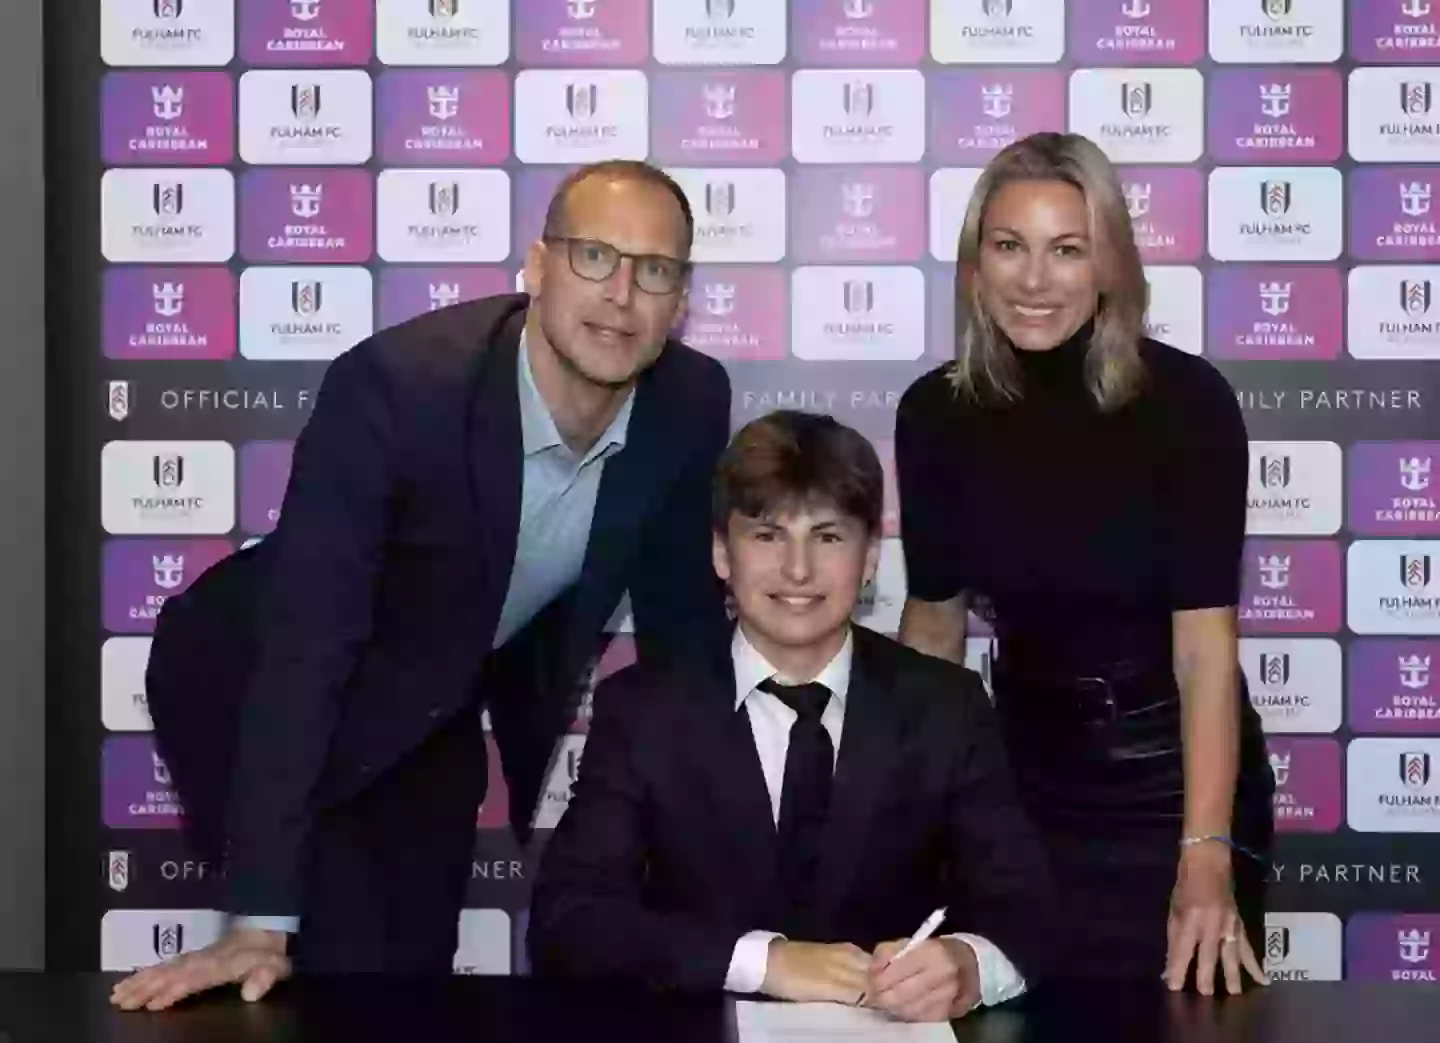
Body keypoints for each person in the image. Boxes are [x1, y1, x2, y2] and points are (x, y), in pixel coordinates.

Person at [111, 160, 733, 1010]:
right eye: (594, 256)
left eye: (654, 271)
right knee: (316, 966)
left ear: (680, 298)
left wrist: (717, 847)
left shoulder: (689, 402)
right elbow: (307, 646)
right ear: (538, 267)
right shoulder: (401, 390)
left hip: (433, 692)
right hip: (254, 676)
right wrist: (260, 915)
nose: (621, 293)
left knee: (409, 980)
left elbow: (682, 630)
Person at [892, 132, 1274, 996]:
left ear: (1110, 262)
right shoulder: (935, 414)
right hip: (1020, 774)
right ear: (975, 264)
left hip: (1171, 782)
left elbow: (1205, 653)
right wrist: (903, 809)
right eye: (1009, 247)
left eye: (1068, 249)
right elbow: (933, 629)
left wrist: (1205, 854)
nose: (1035, 279)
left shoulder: (1187, 405)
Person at [527, 410, 1055, 1023]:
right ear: (722, 553)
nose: (798, 570)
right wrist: (763, 962)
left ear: (870, 561)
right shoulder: (643, 709)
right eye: (768, 536)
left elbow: (1027, 908)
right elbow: (569, 920)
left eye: (828, 537)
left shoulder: (948, 705)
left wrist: (968, 965)